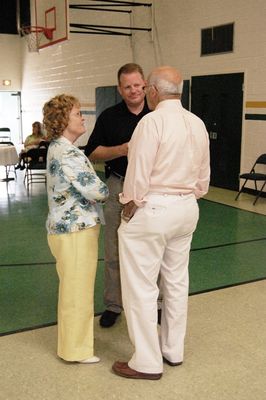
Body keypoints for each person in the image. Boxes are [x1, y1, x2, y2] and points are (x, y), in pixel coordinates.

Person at [112, 66, 210, 380]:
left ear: (153, 90)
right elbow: (203, 180)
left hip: (153, 208)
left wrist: (129, 204)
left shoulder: (150, 122)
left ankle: (146, 361)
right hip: (186, 209)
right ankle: (172, 349)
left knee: (141, 286)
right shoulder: (197, 123)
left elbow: (138, 174)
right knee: (176, 281)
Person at [43, 94, 109, 364]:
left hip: (70, 229)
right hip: (75, 231)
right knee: (77, 293)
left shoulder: (60, 147)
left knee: (74, 290)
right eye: (78, 113)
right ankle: (75, 350)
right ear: (62, 120)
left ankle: (74, 345)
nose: (83, 117)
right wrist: (110, 190)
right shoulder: (67, 152)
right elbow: (97, 190)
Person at [85, 63, 150, 328]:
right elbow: (92, 152)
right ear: (120, 90)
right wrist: (121, 149)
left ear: (145, 84)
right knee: (113, 248)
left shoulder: (157, 114)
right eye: (127, 87)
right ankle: (114, 304)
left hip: (150, 191)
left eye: (137, 85)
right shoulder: (109, 116)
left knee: (151, 249)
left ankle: (153, 302)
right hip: (118, 185)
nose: (134, 90)